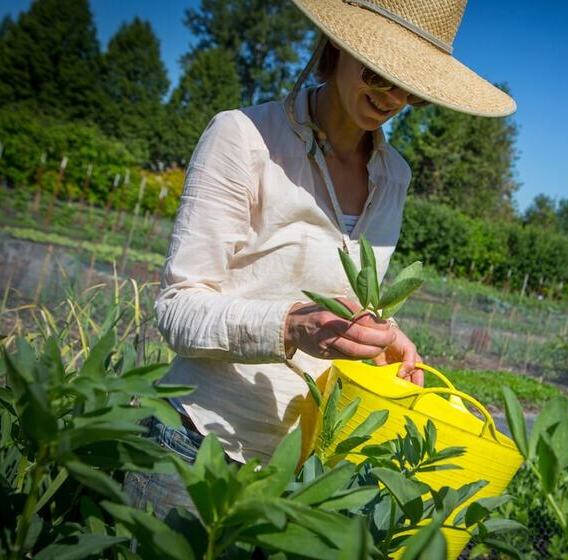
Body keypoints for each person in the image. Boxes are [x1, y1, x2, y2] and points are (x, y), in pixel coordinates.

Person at [125, 0, 516, 518]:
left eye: (412, 90)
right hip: (197, 444)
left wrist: (382, 330)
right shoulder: (245, 137)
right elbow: (176, 309)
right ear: (339, 47)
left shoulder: (393, 175)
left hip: (303, 473)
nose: (392, 98)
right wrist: (290, 325)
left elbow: (344, 290)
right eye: (379, 75)